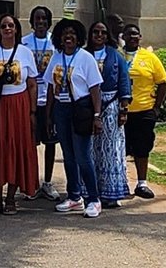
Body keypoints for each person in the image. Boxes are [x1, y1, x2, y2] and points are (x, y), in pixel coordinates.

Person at [0, 13, 38, 214]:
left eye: (11, 25)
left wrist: (32, 111)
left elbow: (32, 84)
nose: (7, 29)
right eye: (3, 26)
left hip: (19, 105)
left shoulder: (25, 53)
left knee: (16, 148)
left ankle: (11, 197)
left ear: (17, 29)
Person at [45, 18, 103, 218]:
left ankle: (94, 199)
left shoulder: (85, 58)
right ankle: (74, 197)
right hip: (61, 109)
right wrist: (49, 115)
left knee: (82, 156)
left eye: (72, 34)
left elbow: (95, 89)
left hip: (81, 108)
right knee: (68, 156)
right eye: (64, 34)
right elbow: (51, 87)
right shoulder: (56, 58)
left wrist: (97, 115)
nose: (68, 37)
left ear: (78, 38)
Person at [120, 22, 166, 199]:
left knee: (142, 148)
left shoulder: (149, 57)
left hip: (143, 110)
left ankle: (142, 184)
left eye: (136, 34)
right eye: (129, 34)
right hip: (121, 112)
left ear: (140, 37)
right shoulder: (117, 55)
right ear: (123, 37)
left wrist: (156, 108)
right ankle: (121, 183)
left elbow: (162, 83)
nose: (132, 37)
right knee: (120, 149)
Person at [87, 20, 131, 205]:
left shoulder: (115, 56)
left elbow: (124, 80)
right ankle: (89, 191)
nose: (99, 35)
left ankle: (111, 192)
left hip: (111, 105)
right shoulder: (84, 54)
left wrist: (123, 109)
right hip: (88, 106)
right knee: (89, 149)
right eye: (95, 32)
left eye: (103, 32)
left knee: (110, 149)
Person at [25, 5, 60, 200]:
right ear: (32, 22)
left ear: (49, 22)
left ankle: (47, 182)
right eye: (37, 19)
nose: (40, 22)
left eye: (44, 19)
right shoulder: (24, 43)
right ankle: (32, 183)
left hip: (50, 100)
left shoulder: (55, 43)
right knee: (30, 143)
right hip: (30, 100)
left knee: (50, 143)